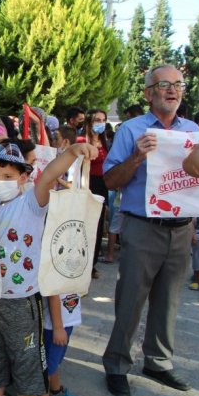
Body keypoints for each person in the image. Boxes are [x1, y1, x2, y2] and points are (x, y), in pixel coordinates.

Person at [0, 141, 98, 396]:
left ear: (24, 177)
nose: (0, 182)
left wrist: (72, 152)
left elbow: (50, 175)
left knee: (27, 356)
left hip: (22, 299)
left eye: (8, 176)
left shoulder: (32, 203)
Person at [102, 64, 198, 396]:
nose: (172, 90)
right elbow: (110, 181)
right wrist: (136, 158)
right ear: (148, 93)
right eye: (164, 84)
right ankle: (117, 365)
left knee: (169, 301)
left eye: (178, 84)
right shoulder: (131, 130)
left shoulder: (193, 132)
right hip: (143, 227)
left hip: (182, 229)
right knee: (130, 299)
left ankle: (158, 362)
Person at [33, 292, 83, 396]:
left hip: (66, 319)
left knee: (53, 361)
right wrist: (58, 327)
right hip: (54, 324)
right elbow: (53, 293)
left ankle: (55, 392)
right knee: (46, 366)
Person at [84, 109, 110, 278]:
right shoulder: (82, 140)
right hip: (88, 184)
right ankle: (83, 263)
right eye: (97, 120)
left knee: (98, 225)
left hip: (102, 184)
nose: (101, 123)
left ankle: (92, 264)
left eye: (103, 120)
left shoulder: (105, 141)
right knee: (86, 225)